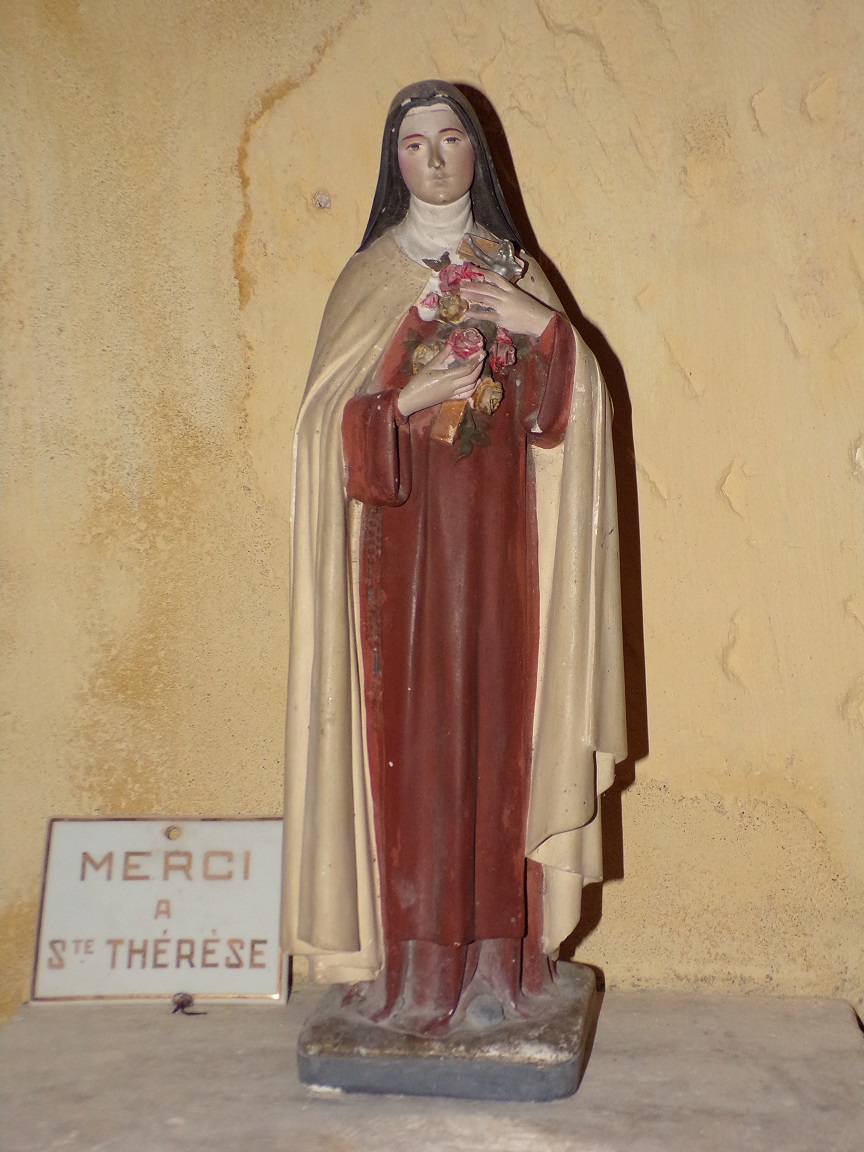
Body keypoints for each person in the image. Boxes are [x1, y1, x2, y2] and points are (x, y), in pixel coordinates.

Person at [282, 80, 627, 1035]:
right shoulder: (370, 277)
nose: (432, 161)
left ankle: (498, 970)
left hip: (507, 561)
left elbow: (574, 413)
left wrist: (542, 332)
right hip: (397, 571)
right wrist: (406, 396)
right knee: (413, 749)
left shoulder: (513, 270)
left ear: (480, 153)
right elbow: (321, 431)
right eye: (412, 143)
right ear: (391, 161)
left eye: (450, 141)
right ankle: (414, 973)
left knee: (501, 742)